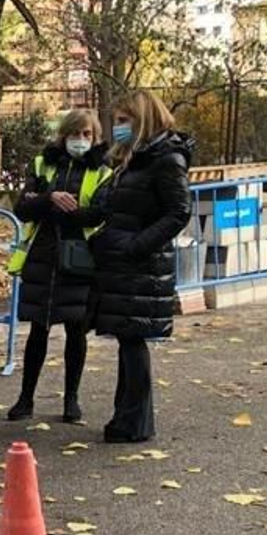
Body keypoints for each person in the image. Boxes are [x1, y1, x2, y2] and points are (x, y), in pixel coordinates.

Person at [90, 89, 194, 443]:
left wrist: (136, 246)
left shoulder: (165, 160)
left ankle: (133, 421)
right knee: (127, 340)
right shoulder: (134, 159)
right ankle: (128, 418)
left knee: (133, 341)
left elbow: (178, 211)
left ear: (141, 120)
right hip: (126, 260)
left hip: (140, 263)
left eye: (123, 121)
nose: (117, 128)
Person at [8, 109, 112, 423]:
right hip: (43, 256)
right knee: (37, 330)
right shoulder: (42, 164)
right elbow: (23, 207)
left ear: (94, 138)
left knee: (76, 331)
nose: (80, 141)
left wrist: (70, 210)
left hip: (80, 257)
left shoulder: (103, 171)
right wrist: (48, 198)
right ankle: (25, 399)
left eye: (87, 135)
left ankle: (72, 400)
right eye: (74, 134)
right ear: (63, 134)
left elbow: (100, 212)